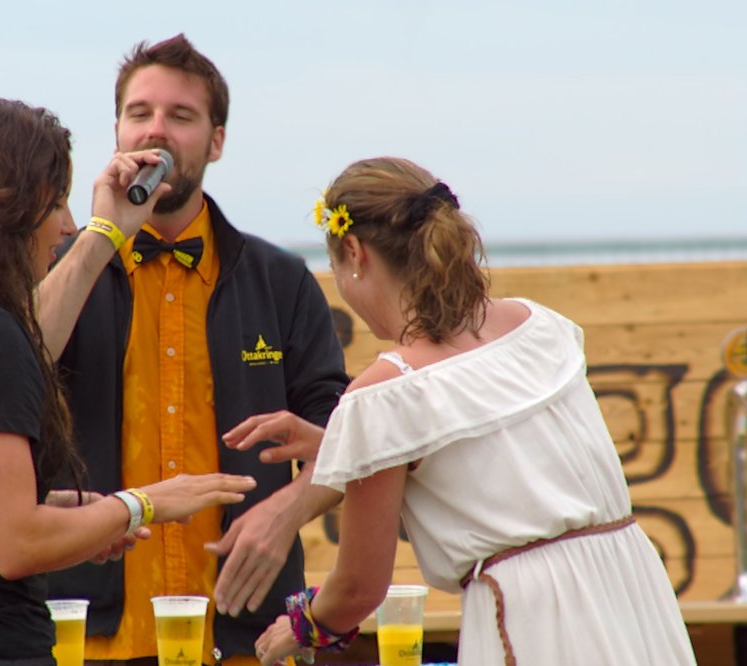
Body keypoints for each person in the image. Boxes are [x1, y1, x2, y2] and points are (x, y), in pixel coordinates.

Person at [230, 157, 698, 665]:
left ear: (354, 252)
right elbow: (492, 455)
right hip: (634, 594)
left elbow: (359, 589)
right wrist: (339, 444)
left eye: (335, 268)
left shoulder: (385, 394)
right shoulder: (538, 327)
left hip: (535, 621)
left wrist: (303, 626)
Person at [0, 98, 256, 665]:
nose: (66, 225)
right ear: (4, 208)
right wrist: (144, 503)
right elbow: (17, 544)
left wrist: (57, 509)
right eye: (56, 202)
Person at [43, 34, 349, 665]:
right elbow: (12, 371)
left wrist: (287, 512)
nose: (155, 130)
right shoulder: (57, 271)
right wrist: (99, 238)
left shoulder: (279, 279)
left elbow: (349, 439)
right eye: (139, 113)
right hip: (90, 635)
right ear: (116, 133)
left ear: (216, 142)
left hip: (243, 634)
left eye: (180, 116)